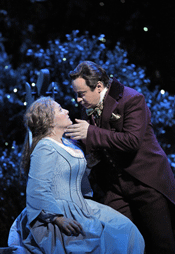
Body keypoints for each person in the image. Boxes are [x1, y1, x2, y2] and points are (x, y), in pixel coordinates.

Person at [8, 97, 145, 254]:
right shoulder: (45, 147)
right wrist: (57, 218)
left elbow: (66, 175)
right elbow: (37, 188)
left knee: (125, 229)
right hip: (57, 210)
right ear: (49, 120)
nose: (66, 111)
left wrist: (89, 164)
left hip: (81, 206)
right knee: (109, 238)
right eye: (60, 109)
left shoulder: (67, 143)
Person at [65, 61, 175, 254]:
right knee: (116, 241)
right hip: (114, 186)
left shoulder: (132, 99)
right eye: (76, 94)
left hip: (144, 181)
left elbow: (132, 141)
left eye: (81, 94)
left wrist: (90, 132)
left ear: (98, 86)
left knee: (160, 243)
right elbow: (96, 141)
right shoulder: (88, 105)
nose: (78, 100)